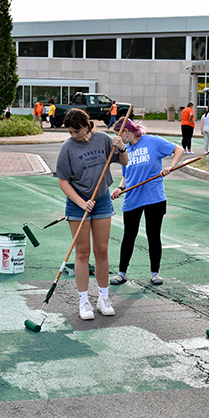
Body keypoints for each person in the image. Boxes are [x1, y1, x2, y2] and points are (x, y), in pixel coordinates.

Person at [56, 108, 128, 320]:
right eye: (70, 132)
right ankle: (83, 301)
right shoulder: (67, 148)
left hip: (102, 199)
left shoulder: (104, 140)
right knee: (82, 252)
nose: (73, 136)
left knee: (102, 250)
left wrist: (121, 147)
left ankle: (103, 297)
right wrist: (81, 203)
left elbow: (124, 162)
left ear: (87, 126)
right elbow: (63, 181)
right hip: (78, 203)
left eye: (76, 131)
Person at [110, 117, 185, 285]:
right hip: (132, 198)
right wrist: (120, 188)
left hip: (154, 197)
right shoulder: (125, 150)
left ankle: (155, 273)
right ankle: (121, 273)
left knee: (153, 235)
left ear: (126, 132)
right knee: (128, 236)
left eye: (118, 134)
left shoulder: (152, 141)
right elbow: (125, 174)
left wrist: (170, 166)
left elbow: (178, 150)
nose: (118, 138)